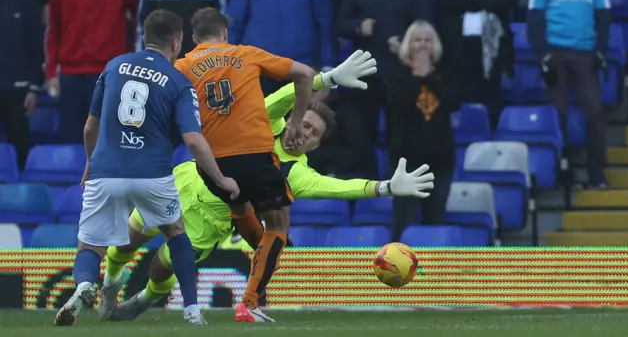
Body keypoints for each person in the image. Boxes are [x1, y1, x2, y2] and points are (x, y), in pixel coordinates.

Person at [101, 57, 434, 321]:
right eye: (304, 123)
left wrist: (387, 186)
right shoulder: (265, 123)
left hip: (209, 221)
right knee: (127, 244)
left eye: (314, 134)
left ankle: (144, 299)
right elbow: (286, 94)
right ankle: (110, 283)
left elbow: (340, 188)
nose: (305, 132)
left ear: (316, 146)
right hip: (184, 183)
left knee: (160, 266)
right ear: (292, 119)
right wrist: (327, 78)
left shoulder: (296, 175)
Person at [53, 10, 238, 327]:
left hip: (107, 170)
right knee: (176, 232)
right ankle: (192, 309)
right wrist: (220, 178)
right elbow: (193, 140)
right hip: (152, 174)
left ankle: (85, 285)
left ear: (143, 36)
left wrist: (89, 163)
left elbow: (88, 129)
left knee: (91, 246)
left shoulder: (114, 66)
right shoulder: (179, 81)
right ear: (177, 43)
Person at [173, 6, 319, 323]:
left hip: (213, 164)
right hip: (255, 154)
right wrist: (294, 124)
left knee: (240, 210)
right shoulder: (246, 54)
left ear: (194, 37)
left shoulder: (181, 65)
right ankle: (250, 301)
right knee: (277, 225)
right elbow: (305, 73)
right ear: (225, 33)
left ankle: (262, 261)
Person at [336, 0, 433, 178]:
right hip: (365, 74)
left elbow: (428, 28)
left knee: (401, 139)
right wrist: (358, 27)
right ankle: (367, 189)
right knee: (361, 139)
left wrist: (406, 47)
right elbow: (340, 23)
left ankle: (398, 189)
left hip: (402, 76)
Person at [527, 0, 611, 189]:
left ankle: (597, 175)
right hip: (555, 53)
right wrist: (543, 55)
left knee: (595, 111)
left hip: (585, 53)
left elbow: (603, 12)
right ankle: (565, 176)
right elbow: (534, 16)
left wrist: (601, 49)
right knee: (559, 115)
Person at [386, 21, 460, 242]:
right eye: (417, 40)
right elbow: (398, 104)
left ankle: (432, 272)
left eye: (427, 40)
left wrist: (429, 77)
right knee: (403, 222)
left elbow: (453, 101)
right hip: (405, 162)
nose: (422, 45)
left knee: (435, 221)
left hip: (440, 160)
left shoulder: (446, 71)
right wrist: (417, 76)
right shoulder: (397, 73)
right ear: (408, 44)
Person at [45, 0, 138, 144]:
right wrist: (51, 72)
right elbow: (53, 28)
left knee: (108, 143)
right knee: (71, 143)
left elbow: (138, 17)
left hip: (109, 75)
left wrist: (130, 62)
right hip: (70, 76)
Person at [227, 0, 335, 96]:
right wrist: (225, 65)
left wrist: (327, 69)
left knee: (298, 114)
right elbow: (234, 25)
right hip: (256, 70)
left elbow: (325, 25)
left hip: (300, 70)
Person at [438, 0, 517, 129]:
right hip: (459, 45)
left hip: (493, 46)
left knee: (490, 94)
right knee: (460, 93)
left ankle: (491, 133)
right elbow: (448, 0)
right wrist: (486, 0)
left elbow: (503, 3)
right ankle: (465, 135)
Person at [0, 0, 42, 169]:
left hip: (19, 91)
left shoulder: (26, 2)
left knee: (20, 151)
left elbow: (37, 47)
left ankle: (20, 194)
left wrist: (34, 87)